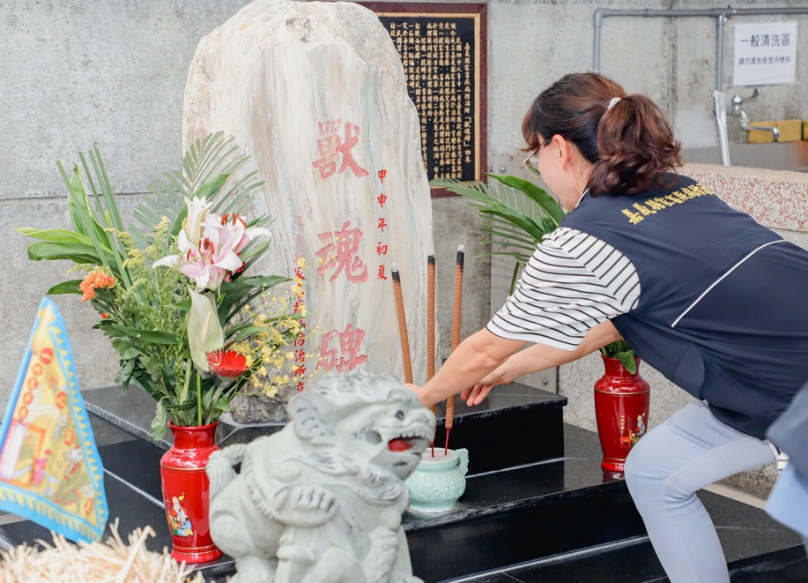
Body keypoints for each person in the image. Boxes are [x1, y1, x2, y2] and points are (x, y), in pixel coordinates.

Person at [409, 72, 808, 583]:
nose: (538, 172)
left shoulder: (583, 239)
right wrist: (519, 365)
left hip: (784, 390)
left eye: (533, 159)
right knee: (655, 470)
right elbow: (614, 321)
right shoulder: (676, 190)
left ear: (558, 149)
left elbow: (484, 348)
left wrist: (422, 397)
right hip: (768, 382)